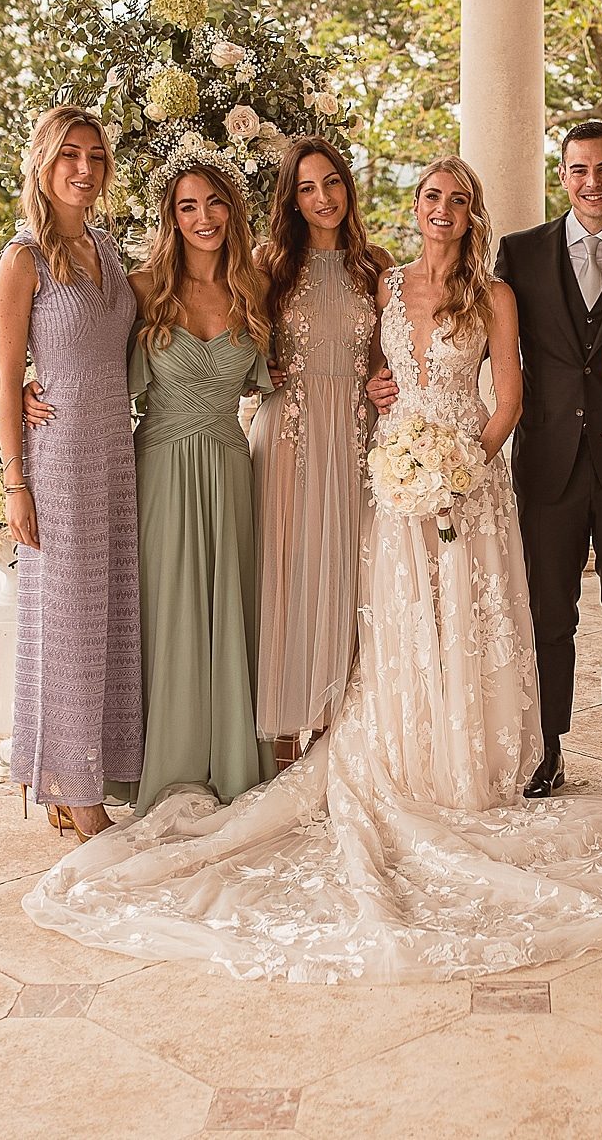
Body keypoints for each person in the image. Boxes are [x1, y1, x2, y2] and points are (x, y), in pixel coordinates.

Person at [23, 157, 602, 982]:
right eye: (429, 197)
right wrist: (34, 379)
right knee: (387, 620)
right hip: (375, 467)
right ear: (412, 207)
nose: (441, 210)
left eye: (456, 199)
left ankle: (474, 758)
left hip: (454, 476)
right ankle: (344, 745)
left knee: (465, 622)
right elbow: (119, 334)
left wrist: (460, 466)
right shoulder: (355, 283)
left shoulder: (465, 288)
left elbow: (506, 395)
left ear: (468, 211)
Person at [371, 121, 602, 801]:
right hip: (549, 461)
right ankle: (547, 751)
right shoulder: (520, 254)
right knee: (548, 614)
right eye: (577, 170)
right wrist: (383, 387)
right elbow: (463, 346)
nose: (591, 182)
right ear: (561, 176)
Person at [0, 106, 140, 841]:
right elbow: (4, 375)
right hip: (60, 465)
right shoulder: (25, 259)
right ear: (43, 167)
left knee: (109, 619)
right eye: (68, 157)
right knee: (69, 626)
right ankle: (80, 801)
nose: (84, 169)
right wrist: (14, 482)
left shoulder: (107, 249)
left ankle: (80, 775)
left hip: (117, 457)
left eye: (94, 156)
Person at [116, 149, 278, 811]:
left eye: (214, 203)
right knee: (166, 610)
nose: (203, 217)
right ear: (170, 216)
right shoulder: (140, 287)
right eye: (188, 206)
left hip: (229, 463)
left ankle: (231, 759)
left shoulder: (255, 290)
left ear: (232, 211)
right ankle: (168, 759)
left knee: (229, 608)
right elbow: (86, 363)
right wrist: (32, 386)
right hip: (157, 466)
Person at [248, 138, 392, 766]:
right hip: (291, 439)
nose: (323, 198)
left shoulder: (377, 265)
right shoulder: (267, 264)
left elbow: (392, 358)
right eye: (307, 188)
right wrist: (260, 373)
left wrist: (385, 381)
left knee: (347, 576)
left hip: (358, 439)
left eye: (331, 182)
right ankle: (281, 739)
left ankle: (336, 740)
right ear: (292, 200)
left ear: (347, 186)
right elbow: (230, 343)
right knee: (285, 579)